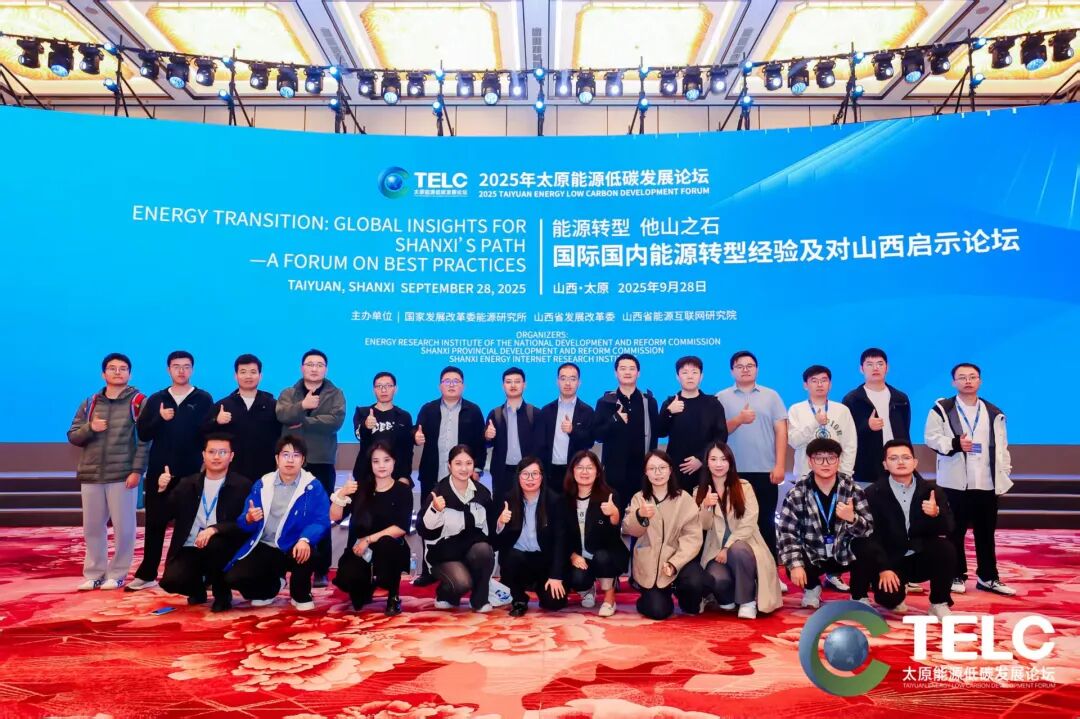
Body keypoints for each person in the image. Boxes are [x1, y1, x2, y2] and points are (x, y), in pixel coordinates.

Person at [924, 363, 1015, 596]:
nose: (968, 381)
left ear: (980, 381)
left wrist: (1004, 473)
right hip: (954, 483)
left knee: (986, 533)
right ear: (953, 382)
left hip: (986, 482)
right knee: (954, 531)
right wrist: (955, 443)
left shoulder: (993, 412)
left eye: (972, 377)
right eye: (962, 377)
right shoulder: (942, 409)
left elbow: (1002, 447)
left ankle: (988, 576)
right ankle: (955, 574)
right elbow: (931, 438)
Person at [131, 351, 214, 591]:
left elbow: (208, 433)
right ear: (168, 369)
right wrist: (159, 418)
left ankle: (186, 574)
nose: (181, 371)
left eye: (186, 366)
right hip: (160, 472)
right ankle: (147, 573)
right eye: (176, 366)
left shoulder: (203, 398)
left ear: (192, 370)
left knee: (190, 526)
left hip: (192, 473)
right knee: (155, 523)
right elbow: (143, 433)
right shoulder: (157, 399)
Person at [67, 353, 148, 591]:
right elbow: (73, 436)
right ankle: (94, 573)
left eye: (123, 368)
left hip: (123, 475)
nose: (117, 372)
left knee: (124, 529)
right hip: (91, 474)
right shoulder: (90, 403)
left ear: (129, 374)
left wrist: (137, 471)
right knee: (92, 528)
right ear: (103, 374)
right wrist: (90, 427)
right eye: (112, 368)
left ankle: (118, 573)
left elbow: (145, 441)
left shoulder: (139, 402)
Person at [223, 435, 331, 611]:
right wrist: (249, 518)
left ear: (303, 460)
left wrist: (305, 538)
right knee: (233, 578)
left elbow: (321, 520)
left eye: (296, 455)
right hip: (266, 544)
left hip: (293, 544)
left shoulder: (313, 486)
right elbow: (244, 520)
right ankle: (271, 587)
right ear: (277, 458)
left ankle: (300, 593)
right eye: (285, 454)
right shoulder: (262, 484)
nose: (290, 460)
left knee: (307, 551)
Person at [856, 439, 954, 618]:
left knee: (945, 548)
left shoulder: (932, 491)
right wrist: (883, 568)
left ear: (915, 462)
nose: (900, 462)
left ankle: (939, 602)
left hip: (920, 555)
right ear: (885, 464)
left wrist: (936, 513)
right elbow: (870, 536)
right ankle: (898, 591)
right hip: (890, 558)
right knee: (889, 598)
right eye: (893, 458)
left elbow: (949, 527)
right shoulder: (872, 493)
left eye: (906, 457)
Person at [717, 350, 787, 592]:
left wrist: (780, 465)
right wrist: (738, 419)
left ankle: (771, 576)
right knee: (733, 525)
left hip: (765, 471)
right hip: (731, 474)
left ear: (757, 369)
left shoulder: (771, 396)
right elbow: (717, 432)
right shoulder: (721, 398)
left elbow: (781, 431)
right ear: (732, 371)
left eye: (750, 365)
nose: (745, 369)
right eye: (740, 366)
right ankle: (735, 575)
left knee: (765, 523)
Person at [275, 349, 345, 588]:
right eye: (310, 364)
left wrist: (302, 420)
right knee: (286, 511)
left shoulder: (336, 393)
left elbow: (334, 422)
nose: (314, 368)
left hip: (321, 461)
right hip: (291, 463)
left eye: (319, 365)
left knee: (321, 514)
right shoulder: (289, 393)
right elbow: (281, 414)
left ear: (326, 369)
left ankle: (321, 569)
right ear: (302, 367)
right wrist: (302, 405)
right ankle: (282, 566)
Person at [777, 438, 874, 609]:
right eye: (819, 458)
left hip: (844, 552)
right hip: (813, 553)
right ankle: (812, 588)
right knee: (794, 559)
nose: (825, 463)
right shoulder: (797, 493)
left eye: (831, 458)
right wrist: (795, 565)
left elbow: (869, 530)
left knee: (867, 547)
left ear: (838, 461)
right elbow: (787, 533)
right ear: (810, 461)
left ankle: (859, 594)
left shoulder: (853, 490)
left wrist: (852, 518)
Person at [159, 433, 252, 612]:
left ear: (231, 456)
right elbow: (164, 515)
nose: (216, 457)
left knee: (215, 544)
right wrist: (162, 490)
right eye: (211, 452)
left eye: (222, 452)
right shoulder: (187, 484)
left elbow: (243, 525)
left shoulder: (242, 486)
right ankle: (198, 589)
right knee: (171, 581)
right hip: (191, 545)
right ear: (203, 455)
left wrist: (216, 529)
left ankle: (222, 594)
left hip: (223, 545)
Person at [413, 366, 486, 585]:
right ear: (440, 386)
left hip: (463, 479)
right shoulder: (428, 409)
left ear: (463, 385)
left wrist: (476, 470)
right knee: (428, 521)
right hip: (433, 476)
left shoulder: (473, 410)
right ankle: (427, 569)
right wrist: (415, 436)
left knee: (462, 522)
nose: (452, 385)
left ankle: (460, 565)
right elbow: (416, 432)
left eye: (456, 381)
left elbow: (480, 445)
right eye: (447, 381)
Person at [695, 441, 782, 619]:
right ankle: (730, 598)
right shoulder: (699, 491)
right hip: (715, 551)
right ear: (707, 463)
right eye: (713, 459)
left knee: (738, 550)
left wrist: (728, 546)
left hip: (747, 545)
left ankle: (747, 601)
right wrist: (706, 506)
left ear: (730, 462)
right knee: (718, 581)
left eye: (723, 459)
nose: (719, 464)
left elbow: (749, 522)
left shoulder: (744, 487)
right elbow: (702, 526)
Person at [331, 440, 412, 615]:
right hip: (360, 551)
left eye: (386, 460)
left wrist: (368, 540)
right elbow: (335, 517)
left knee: (386, 543)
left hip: (389, 549)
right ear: (370, 463)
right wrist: (341, 495)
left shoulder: (402, 490)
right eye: (376, 461)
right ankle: (368, 585)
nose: (381, 465)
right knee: (348, 582)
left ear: (394, 461)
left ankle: (393, 595)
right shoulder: (360, 488)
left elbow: (401, 527)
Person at [623, 450, 704, 620]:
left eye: (662, 467)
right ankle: (649, 597)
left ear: (670, 470)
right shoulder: (639, 498)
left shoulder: (684, 499)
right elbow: (629, 529)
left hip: (678, 562)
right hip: (651, 567)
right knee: (658, 611)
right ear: (646, 472)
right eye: (652, 468)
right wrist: (640, 515)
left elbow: (692, 537)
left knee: (696, 582)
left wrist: (675, 563)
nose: (657, 473)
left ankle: (686, 601)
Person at [417, 445, 496, 612]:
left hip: (469, 551)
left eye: (468, 463)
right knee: (461, 582)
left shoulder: (482, 493)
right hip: (443, 554)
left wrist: (501, 523)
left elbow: (490, 532)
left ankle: (479, 600)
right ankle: (445, 594)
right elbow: (424, 531)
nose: (464, 468)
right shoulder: (439, 493)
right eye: (458, 463)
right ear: (449, 465)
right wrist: (435, 510)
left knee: (484, 550)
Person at [493, 457, 567, 616]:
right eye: (525, 474)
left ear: (542, 476)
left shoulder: (554, 501)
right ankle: (519, 598)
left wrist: (556, 575)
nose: (530, 479)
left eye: (535, 474)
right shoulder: (508, 499)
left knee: (554, 603)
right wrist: (500, 524)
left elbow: (560, 541)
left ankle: (539, 587)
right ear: (518, 476)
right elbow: (497, 543)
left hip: (544, 561)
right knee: (512, 557)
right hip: (517, 561)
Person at [561, 450, 628, 617]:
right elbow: (561, 534)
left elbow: (613, 539)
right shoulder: (564, 498)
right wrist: (572, 555)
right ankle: (587, 589)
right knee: (577, 578)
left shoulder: (609, 495)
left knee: (602, 557)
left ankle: (609, 598)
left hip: (603, 553)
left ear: (598, 471)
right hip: (579, 555)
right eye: (580, 467)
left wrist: (614, 515)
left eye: (589, 467)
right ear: (572, 470)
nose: (584, 472)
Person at [202, 353, 281, 484]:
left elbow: (281, 436)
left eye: (253, 372)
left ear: (260, 376)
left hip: (265, 472)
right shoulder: (223, 405)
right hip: (232, 473)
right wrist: (216, 421)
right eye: (243, 372)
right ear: (236, 376)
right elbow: (204, 432)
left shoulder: (273, 405)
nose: (248, 376)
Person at [593, 353, 659, 503]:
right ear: (616, 373)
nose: (627, 372)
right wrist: (614, 419)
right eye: (622, 368)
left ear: (638, 373)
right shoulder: (605, 402)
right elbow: (597, 435)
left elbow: (655, 434)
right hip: (613, 474)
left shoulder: (649, 401)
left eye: (631, 368)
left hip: (642, 473)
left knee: (641, 513)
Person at [656, 355, 728, 491]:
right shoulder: (670, 402)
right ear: (677, 377)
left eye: (694, 372)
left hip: (705, 468)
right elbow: (660, 432)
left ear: (701, 376)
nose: (690, 376)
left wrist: (701, 458)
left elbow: (721, 436)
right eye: (684, 373)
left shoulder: (713, 404)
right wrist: (669, 412)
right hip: (676, 468)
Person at [842, 348, 912, 485]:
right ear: (861, 369)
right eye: (870, 364)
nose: (875, 368)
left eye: (880, 364)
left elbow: (905, 431)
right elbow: (846, 435)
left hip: (897, 464)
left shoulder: (900, 398)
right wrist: (867, 426)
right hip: (866, 467)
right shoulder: (852, 399)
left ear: (887, 368)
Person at [485, 367, 544, 507]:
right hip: (502, 473)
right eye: (508, 382)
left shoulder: (534, 413)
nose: (513, 385)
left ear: (524, 385)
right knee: (501, 509)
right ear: (503, 386)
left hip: (528, 473)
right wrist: (487, 437)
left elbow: (542, 445)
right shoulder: (495, 413)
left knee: (528, 508)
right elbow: (487, 444)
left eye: (517, 381)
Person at [351, 371, 414, 487]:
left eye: (388, 386)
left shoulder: (404, 416)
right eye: (379, 386)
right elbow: (358, 435)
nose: (383, 390)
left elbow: (408, 450)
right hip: (366, 476)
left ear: (395, 389)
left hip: (396, 477)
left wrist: (405, 476)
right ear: (373, 390)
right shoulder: (363, 413)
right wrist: (366, 425)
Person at [538, 362, 595, 489]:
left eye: (572, 379)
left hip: (575, 472)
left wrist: (572, 431)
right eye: (563, 378)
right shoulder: (546, 411)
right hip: (550, 472)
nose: (567, 383)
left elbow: (589, 442)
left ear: (579, 382)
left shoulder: (587, 411)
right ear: (557, 381)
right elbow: (540, 444)